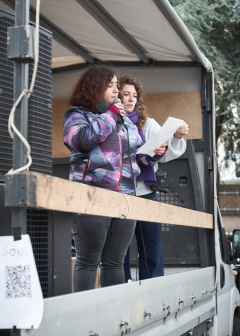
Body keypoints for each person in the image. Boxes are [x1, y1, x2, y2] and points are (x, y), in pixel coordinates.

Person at [63, 66, 167, 292]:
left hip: (125, 198)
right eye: (110, 85)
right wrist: (110, 115)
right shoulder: (77, 114)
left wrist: (155, 152)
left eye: (116, 85)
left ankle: (113, 318)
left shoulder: (124, 120)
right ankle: (86, 318)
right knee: (88, 261)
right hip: (92, 197)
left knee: (115, 262)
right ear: (95, 87)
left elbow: (138, 157)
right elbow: (82, 140)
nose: (116, 90)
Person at [119, 75, 189, 281]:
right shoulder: (109, 122)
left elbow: (166, 153)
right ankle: (119, 291)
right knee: (118, 251)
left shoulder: (147, 124)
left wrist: (176, 137)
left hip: (146, 194)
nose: (131, 99)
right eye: (126, 94)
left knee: (152, 249)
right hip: (119, 194)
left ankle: (153, 293)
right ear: (116, 96)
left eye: (135, 95)